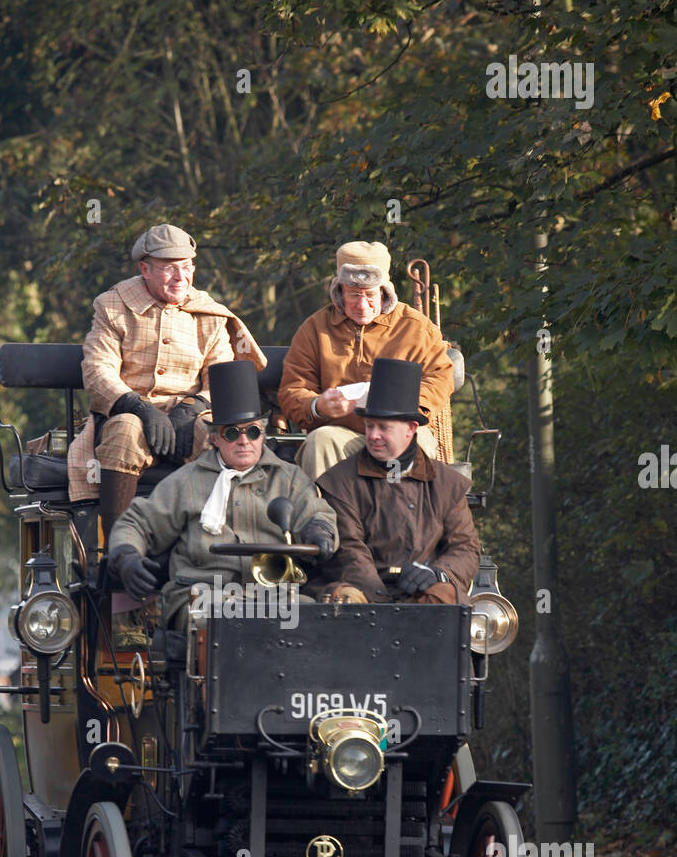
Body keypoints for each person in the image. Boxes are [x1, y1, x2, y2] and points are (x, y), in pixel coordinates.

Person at [67, 223, 266, 539]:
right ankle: (120, 552)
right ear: (144, 269)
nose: (180, 277)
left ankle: (216, 550)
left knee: (224, 437)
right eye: (169, 269)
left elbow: (221, 377)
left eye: (186, 268)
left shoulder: (210, 313)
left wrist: (193, 407)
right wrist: (139, 408)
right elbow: (97, 370)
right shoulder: (113, 305)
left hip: (191, 415)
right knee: (124, 431)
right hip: (129, 412)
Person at [107, 360, 338, 629]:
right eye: (232, 433)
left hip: (275, 594)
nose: (244, 441)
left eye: (252, 432)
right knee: (222, 622)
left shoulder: (289, 479)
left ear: (262, 434)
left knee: (312, 621)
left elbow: (318, 513)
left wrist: (320, 531)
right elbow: (137, 523)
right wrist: (127, 556)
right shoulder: (186, 482)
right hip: (202, 595)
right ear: (214, 438)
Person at [278, 241, 456, 479]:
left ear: (384, 291)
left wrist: (404, 410)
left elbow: (440, 378)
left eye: (370, 295)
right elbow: (293, 388)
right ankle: (324, 516)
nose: (362, 305)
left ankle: (407, 515)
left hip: (400, 428)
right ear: (339, 290)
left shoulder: (416, 327)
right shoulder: (314, 329)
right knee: (319, 441)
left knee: (416, 440)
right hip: (341, 433)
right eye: (354, 295)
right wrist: (318, 405)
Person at [312, 358, 480, 605]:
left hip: (422, 596)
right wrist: (384, 607)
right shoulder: (339, 481)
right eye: (369, 426)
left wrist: (436, 573)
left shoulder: (448, 484)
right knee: (343, 599)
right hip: (364, 596)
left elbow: (465, 547)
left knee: (444, 596)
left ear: (411, 429)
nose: (373, 436)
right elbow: (348, 551)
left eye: (383, 427)